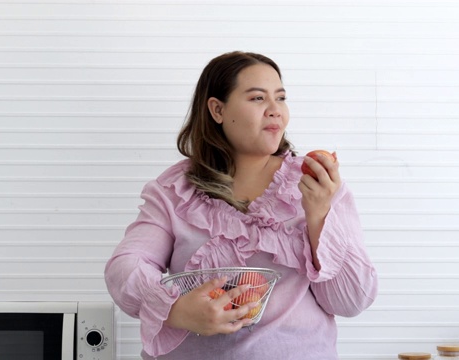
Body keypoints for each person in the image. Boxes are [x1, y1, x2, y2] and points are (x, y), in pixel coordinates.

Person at [104, 51, 378, 359]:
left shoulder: (316, 183)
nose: (276, 111)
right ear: (217, 110)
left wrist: (319, 216)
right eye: (258, 99)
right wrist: (176, 309)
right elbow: (125, 268)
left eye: (281, 98)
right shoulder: (174, 190)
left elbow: (351, 301)